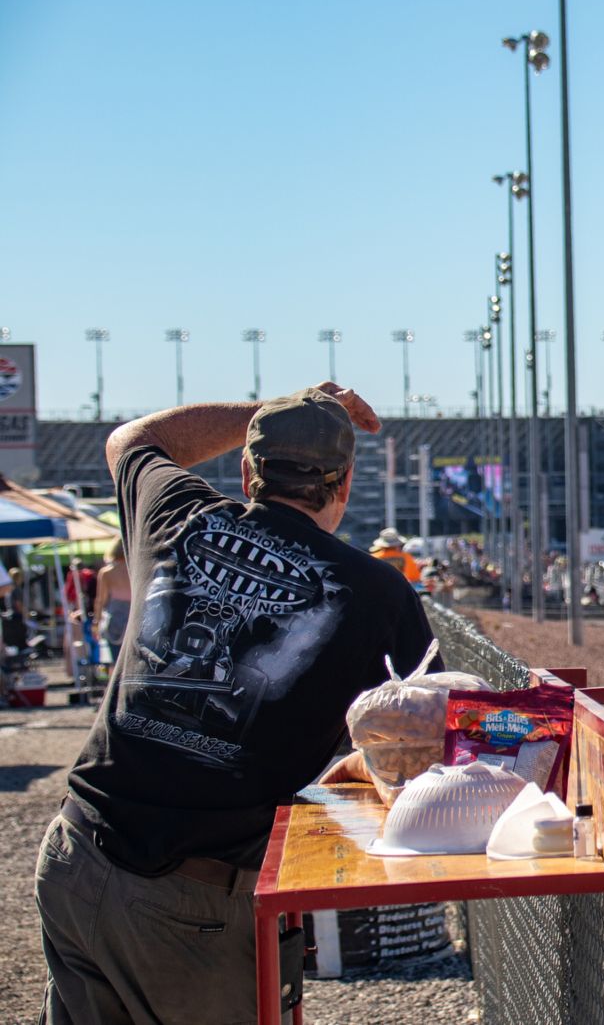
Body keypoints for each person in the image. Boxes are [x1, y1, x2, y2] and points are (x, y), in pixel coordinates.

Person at [35, 383, 436, 1025]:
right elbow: (425, 743)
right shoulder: (376, 593)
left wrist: (267, 414)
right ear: (346, 483)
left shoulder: (175, 511)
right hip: (197, 899)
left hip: (79, 852)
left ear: (247, 469)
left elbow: (130, 440)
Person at [91, 539, 132, 667]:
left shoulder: (107, 573)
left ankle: (116, 685)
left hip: (115, 614)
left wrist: (96, 622)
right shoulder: (134, 570)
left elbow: (101, 600)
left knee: (115, 659)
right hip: (134, 613)